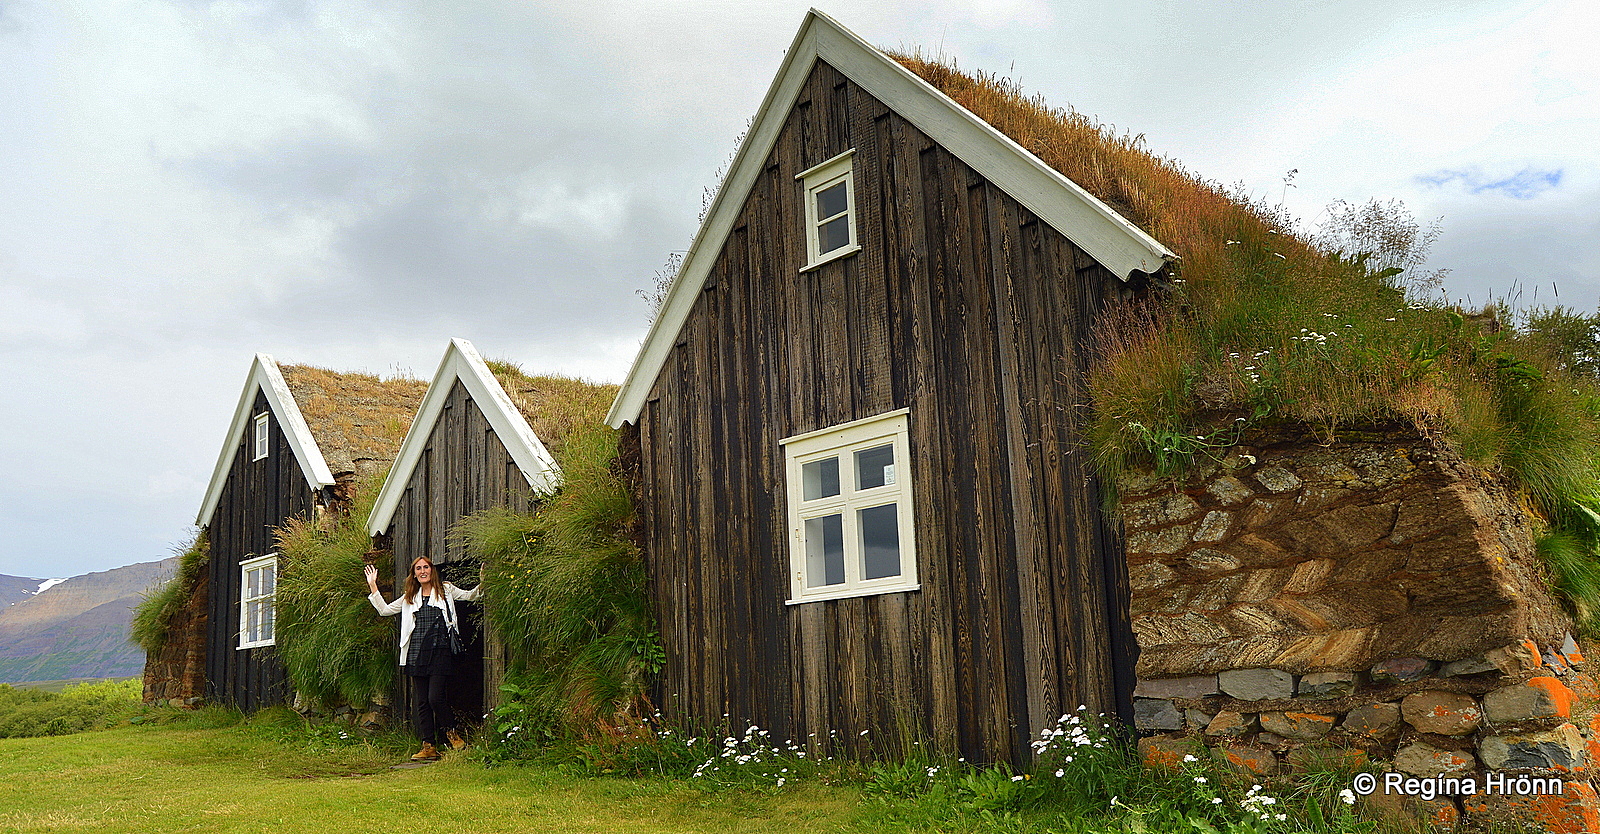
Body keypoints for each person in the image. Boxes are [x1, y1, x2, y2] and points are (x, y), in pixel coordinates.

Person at [364, 557, 482, 761]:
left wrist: (484, 580)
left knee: (435, 697)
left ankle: (452, 734)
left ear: (431, 570)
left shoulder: (446, 589)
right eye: (418, 568)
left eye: (425, 567)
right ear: (414, 573)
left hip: (440, 652)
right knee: (422, 703)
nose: (422, 571)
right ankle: (428, 746)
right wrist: (373, 585)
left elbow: (471, 596)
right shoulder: (410, 596)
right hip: (416, 653)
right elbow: (384, 610)